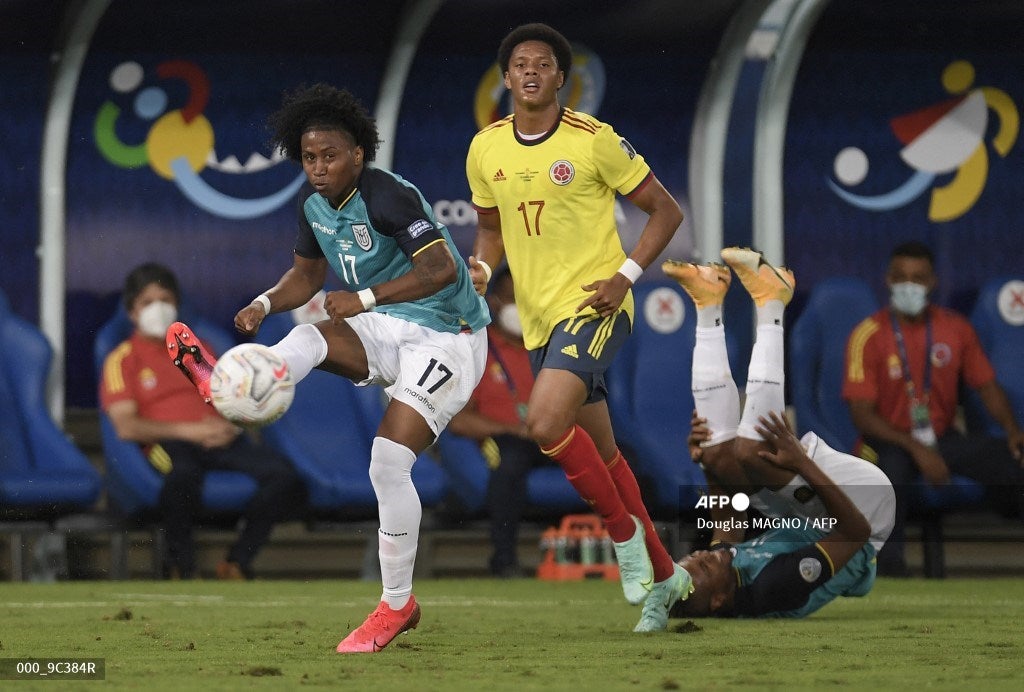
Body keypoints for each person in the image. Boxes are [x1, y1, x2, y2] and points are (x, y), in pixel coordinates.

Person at [167, 84, 489, 653]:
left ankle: (395, 604)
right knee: (308, 336)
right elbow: (308, 280)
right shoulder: (313, 206)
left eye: (330, 155)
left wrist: (364, 300)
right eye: (309, 158)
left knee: (389, 461)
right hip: (391, 326)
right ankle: (234, 386)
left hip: (449, 334)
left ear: (358, 153)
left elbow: (441, 269)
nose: (318, 169)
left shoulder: (386, 194)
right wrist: (263, 303)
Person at [465, 22, 690, 633]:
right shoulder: (485, 147)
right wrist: (483, 267)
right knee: (607, 453)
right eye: (520, 64)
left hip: (594, 305)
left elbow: (666, 210)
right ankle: (667, 579)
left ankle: (623, 540)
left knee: (542, 423)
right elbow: (491, 228)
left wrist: (626, 275)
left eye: (543, 63)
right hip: (538, 320)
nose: (531, 72)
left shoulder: (594, 141)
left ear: (563, 78)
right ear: (505, 77)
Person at [662, 249, 895, 617]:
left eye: (694, 556)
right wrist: (802, 461)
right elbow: (855, 532)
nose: (705, 554)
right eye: (704, 565)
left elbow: (729, 516)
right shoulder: (772, 588)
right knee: (753, 451)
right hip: (866, 509)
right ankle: (772, 303)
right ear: (720, 599)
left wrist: (708, 462)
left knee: (719, 453)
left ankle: (707, 305)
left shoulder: (726, 574)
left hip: (813, 520)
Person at [99, 263, 306, 580]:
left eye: (165, 300)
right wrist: (191, 432)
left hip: (220, 439)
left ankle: (236, 563)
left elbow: (232, 398)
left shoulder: (200, 350)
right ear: (131, 312)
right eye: (147, 302)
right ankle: (181, 567)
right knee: (182, 476)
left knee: (283, 477)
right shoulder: (123, 359)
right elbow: (126, 426)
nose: (158, 308)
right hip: (167, 444)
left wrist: (232, 425)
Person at [843, 240, 1024, 576]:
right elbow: (861, 415)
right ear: (888, 280)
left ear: (932, 283)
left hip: (940, 437)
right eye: (901, 277)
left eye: (918, 278)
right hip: (884, 442)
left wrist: (1014, 432)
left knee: (1008, 459)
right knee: (889, 477)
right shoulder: (867, 334)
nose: (909, 285)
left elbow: (987, 387)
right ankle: (890, 572)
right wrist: (916, 448)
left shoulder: (956, 328)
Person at [447, 264, 549, 578]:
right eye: (512, 300)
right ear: (495, 304)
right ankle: (503, 560)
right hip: (503, 438)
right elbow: (458, 421)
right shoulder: (476, 349)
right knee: (508, 465)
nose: (521, 309)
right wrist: (510, 429)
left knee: (620, 457)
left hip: (551, 437)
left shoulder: (547, 347)